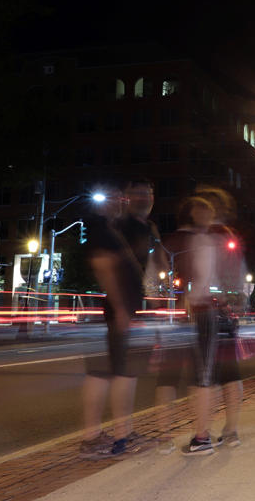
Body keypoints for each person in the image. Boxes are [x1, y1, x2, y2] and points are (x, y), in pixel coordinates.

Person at [163, 194, 243, 455]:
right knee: (218, 374)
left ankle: (203, 437)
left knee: (204, 376)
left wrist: (213, 300)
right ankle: (223, 433)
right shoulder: (216, 238)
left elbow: (208, 280)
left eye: (204, 210)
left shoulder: (208, 240)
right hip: (215, 311)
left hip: (208, 312)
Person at [79, 182, 154, 458]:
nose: (118, 202)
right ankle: (108, 437)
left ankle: (102, 435)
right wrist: (122, 309)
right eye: (112, 198)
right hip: (116, 312)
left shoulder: (111, 227)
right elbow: (104, 266)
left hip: (119, 312)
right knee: (118, 374)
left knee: (110, 373)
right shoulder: (102, 229)